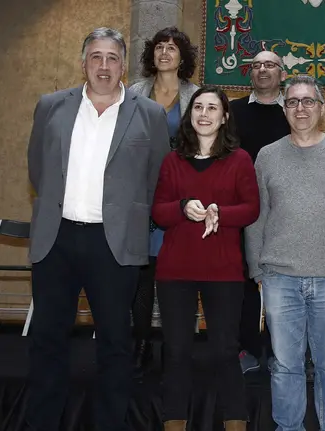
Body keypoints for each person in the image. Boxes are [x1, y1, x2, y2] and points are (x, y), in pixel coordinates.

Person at [25, 27, 170, 431]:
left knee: (115, 344)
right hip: (57, 240)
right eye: (96, 57)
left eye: (112, 58)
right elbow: (38, 168)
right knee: (47, 340)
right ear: (83, 62)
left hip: (115, 244)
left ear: (124, 65)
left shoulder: (151, 114)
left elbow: (156, 177)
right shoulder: (51, 105)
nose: (103, 66)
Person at [245, 75, 325, 431]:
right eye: (292, 102)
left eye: (307, 101)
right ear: (283, 108)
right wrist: (258, 268)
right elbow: (257, 217)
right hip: (280, 278)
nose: (300, 108)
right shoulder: (267, 156)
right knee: (285, 365)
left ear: (321, 108)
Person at [151, 85, 259, 431]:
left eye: (213, 108)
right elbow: (159, 212)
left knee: (225, 351)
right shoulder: (173, 160)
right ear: (189, 114)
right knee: (177, 351)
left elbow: (252, 209)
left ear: (225, 117)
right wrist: (183, 207)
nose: (204, 114)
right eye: (198, 107)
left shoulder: (240, 159)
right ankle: (174, 422)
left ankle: (235, 422)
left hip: (223, 270)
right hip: (175, 271)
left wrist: (220, 212)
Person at [128, 25, 200, 376]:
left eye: (173, 47)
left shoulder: (197, 95)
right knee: (143, 274)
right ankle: (140, 346)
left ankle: (177, 351)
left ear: (183, 57)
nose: (165, 52)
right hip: (140, 195)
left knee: (178, 276)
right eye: (159, 46)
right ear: (151, 54)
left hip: (181, 193)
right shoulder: (133, 93)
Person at [229, 49, 290, 376]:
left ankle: (285, 353)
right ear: (250, 74)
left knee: (285, 282)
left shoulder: (294, 111)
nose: (263, 69)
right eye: (256, 65)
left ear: (282, 74)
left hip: (288, 212)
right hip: (242, 210)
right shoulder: (233, 111)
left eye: (270, 64)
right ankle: (248, 349)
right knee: (244, 283)